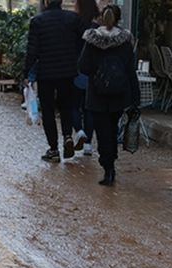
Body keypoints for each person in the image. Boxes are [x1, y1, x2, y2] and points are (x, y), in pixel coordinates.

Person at [78, 5, 139, 186]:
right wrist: (135, 98)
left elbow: (83, 66)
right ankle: (111, 163)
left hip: (97, 95)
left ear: (101, 18)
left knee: (102, 132)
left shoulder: (92, 39)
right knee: (112, 129)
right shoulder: (125, 40)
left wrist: (97, 74)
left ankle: (107, 167)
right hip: (119, 94)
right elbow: (130, 71)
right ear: (119, 19)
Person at [24, 0, 81, 162]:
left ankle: (54, 149)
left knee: (48, 111)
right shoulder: (72, 19)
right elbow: (80, 43)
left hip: (46, 73)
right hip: (67, 72)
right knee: (66, 107)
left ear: (47, 2)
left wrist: (26, 73)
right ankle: (68, 136)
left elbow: (32, 50)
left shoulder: (38, 21)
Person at [72, 0, 99, 156]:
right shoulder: (96, 29)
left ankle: (79, 131)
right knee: (89, 109)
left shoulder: (75, 26)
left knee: (73, 106)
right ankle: (88, 144)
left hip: (76, 71)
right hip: (92, 74)